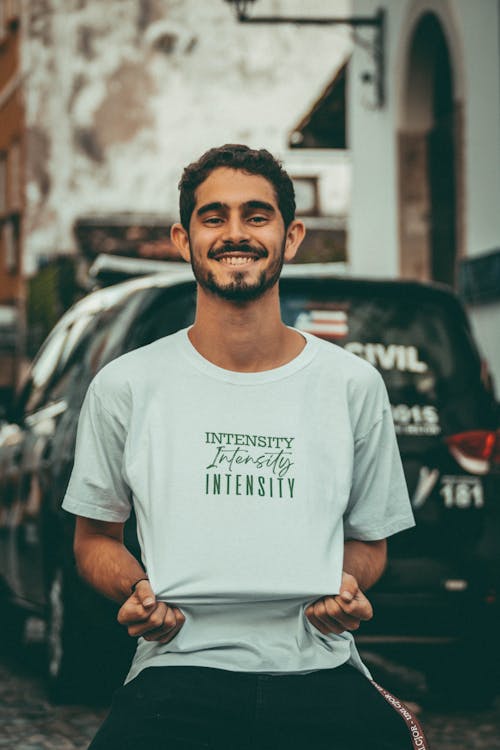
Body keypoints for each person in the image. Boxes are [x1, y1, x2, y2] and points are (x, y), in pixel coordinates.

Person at [63, 144, 429, 750]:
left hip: (320, 667)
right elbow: (94, 539)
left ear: (292, 237)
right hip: (175, 669)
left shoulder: (351, 384)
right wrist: (135, 591)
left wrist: (345, 587)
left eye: (257, 216)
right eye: (215, 217)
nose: (236, 233)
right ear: (185, 239)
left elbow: (370, 541)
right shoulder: (126, 385)